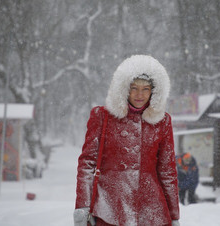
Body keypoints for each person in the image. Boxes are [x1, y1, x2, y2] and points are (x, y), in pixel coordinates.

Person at [74, 55, 180, 226]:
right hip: (109, 209)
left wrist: (174, 215)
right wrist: (82, 206)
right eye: (134, 88)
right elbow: (87, 164)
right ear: (124, 88)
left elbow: (167, 171)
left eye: (146, 89)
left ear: (154, 91)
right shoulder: (102, 116)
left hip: (151, 211)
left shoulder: (162, 121)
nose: (140, 94)